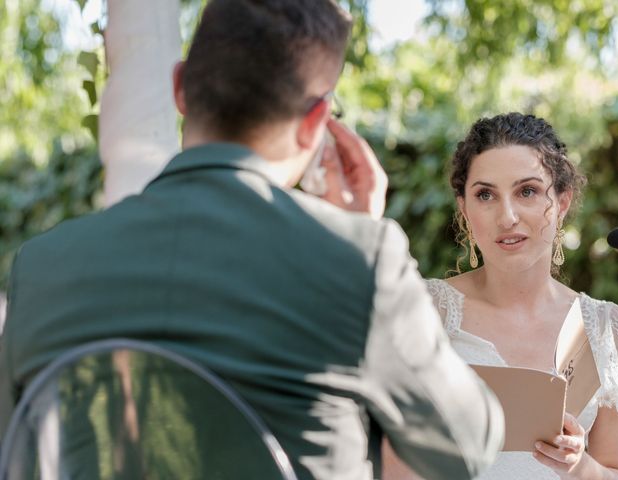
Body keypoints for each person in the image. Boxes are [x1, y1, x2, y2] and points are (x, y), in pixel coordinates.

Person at [0, 1, 505, 478]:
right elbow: (467, 447)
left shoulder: (41, 266)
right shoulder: (358, 262)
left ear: (179, 88)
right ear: (314, 123)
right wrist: (367, 240)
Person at [383, 112, 618, 479]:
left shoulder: (613, 333)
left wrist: (578, 464)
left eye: (527, 191)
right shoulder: (419, 313)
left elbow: (617, 473)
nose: (507, 217)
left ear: (562, 202)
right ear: (465, 209)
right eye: (485, 195)